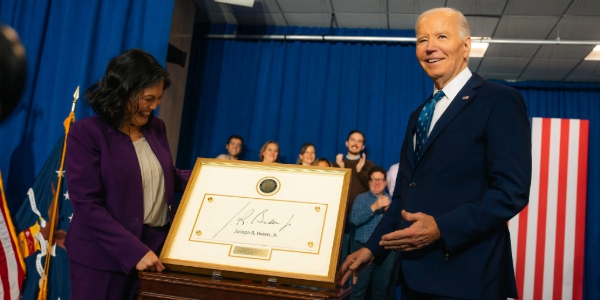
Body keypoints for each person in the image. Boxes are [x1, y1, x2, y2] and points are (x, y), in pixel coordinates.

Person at [337, 7, 531, 300]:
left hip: (470, 278)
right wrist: (371, 249)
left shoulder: (499, 100)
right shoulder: (418, 115)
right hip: (414, 279)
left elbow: (511, 191)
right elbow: (403, 197)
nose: (430, 47)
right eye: (421, 40)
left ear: (466, 46)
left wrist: (442, 227)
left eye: (442, 36)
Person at [65, 48, 192, 300]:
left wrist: (210, 179)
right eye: (148, 98)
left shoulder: (156, 127)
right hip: (103, 258)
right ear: (124, 91)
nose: (156, 105)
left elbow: (161, 177)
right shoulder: (87, 133)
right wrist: (134, 252)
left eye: (159, 97)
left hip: (155, 252)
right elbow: (87, 205)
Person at [350, 166, 395, 300]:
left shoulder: (392, 201)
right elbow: (354, 220)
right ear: (369, 181)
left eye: (380, 179)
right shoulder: (361, 199)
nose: (377, 182)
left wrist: (390, 211)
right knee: (358, 290)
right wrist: (374, 207)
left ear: (386, 183)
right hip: (363, 248)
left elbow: (400, 226)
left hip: (387, 252)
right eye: (374, 179)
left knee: (381, 292)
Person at [333, 130, 375, 274]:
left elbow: (374, 187)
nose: (355, 143)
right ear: (347, 143)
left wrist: (359, 171)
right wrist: (340, 169)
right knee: (339, 255)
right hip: (340, 217)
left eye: (359, 141)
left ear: (363, 146)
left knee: (356, 258)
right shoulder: (336, 163)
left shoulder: (369, 165)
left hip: (361, 218)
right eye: (352, 140)